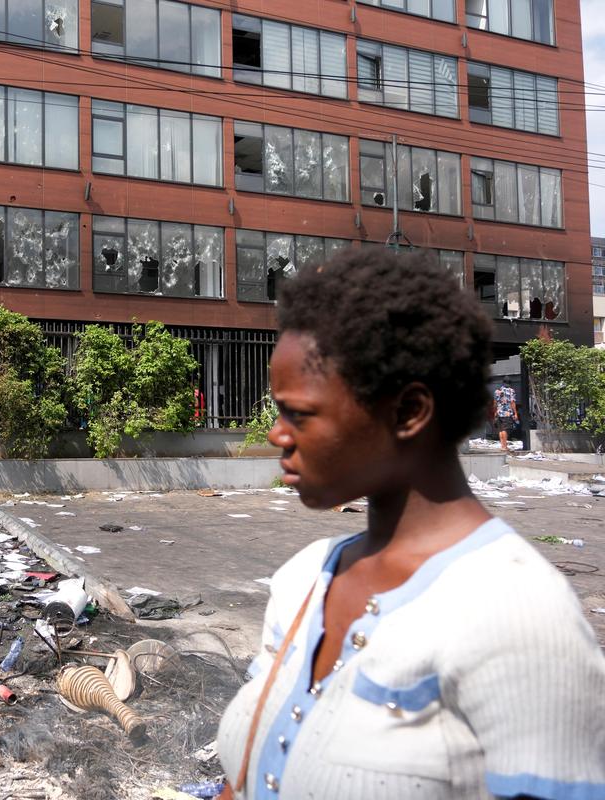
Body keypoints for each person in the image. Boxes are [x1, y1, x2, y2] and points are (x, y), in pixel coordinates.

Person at [215, 249, 605, 799]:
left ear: (408, 412)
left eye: (298, 413)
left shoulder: (518, 614)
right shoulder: (304, 579)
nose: (276, 434)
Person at [492, 379, 519, 452]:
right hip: (507, 413)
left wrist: (495, 412)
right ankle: (505, 446)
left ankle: (502, 446)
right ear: (510, 383)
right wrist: (515, 413)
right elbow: (512, 402)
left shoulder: (497, 391)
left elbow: (494, 403)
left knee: (500, 430)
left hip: (499, 412)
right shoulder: (511, 391)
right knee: (505, 430)